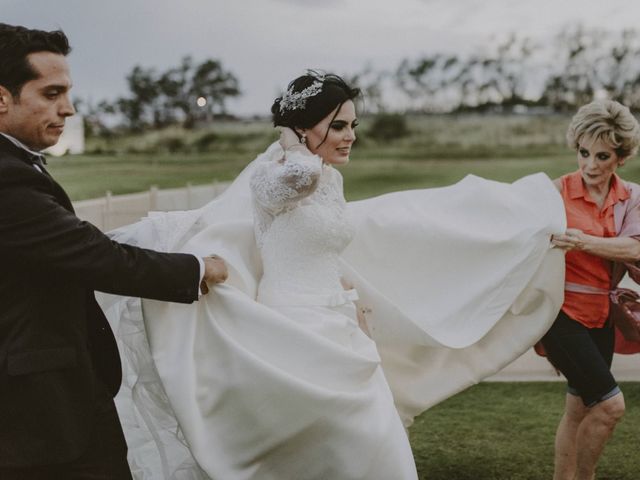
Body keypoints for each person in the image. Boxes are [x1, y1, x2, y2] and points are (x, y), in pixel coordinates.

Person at [101, 71, 567, 479]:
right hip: (293, 328)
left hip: (341, 324)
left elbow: (319, 249)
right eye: (338, 125)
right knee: (321, 448)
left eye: (353, 126)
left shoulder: (332, 178)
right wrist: (290, 138)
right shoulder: (276, 174)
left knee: (374, 444)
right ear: (302, 129)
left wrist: (351, 300)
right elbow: (299, 182)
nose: (349, 136)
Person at [0, 24, 228, 479]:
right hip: (40, 414)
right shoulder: (7, 176)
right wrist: (200, 268)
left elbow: (58, 247)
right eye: (51, 93)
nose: (68, 107)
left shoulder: (16, 163)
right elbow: (92, 256)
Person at [545, 99, 640, 480]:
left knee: (579, 408)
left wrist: (581, 241)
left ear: (621, 156)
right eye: (584, 153)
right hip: (559, 313)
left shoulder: (631, 196)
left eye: (602, 156)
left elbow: (635, 247)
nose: (590, 166)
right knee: (610, 406)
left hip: (601, 313)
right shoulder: (554, 192)